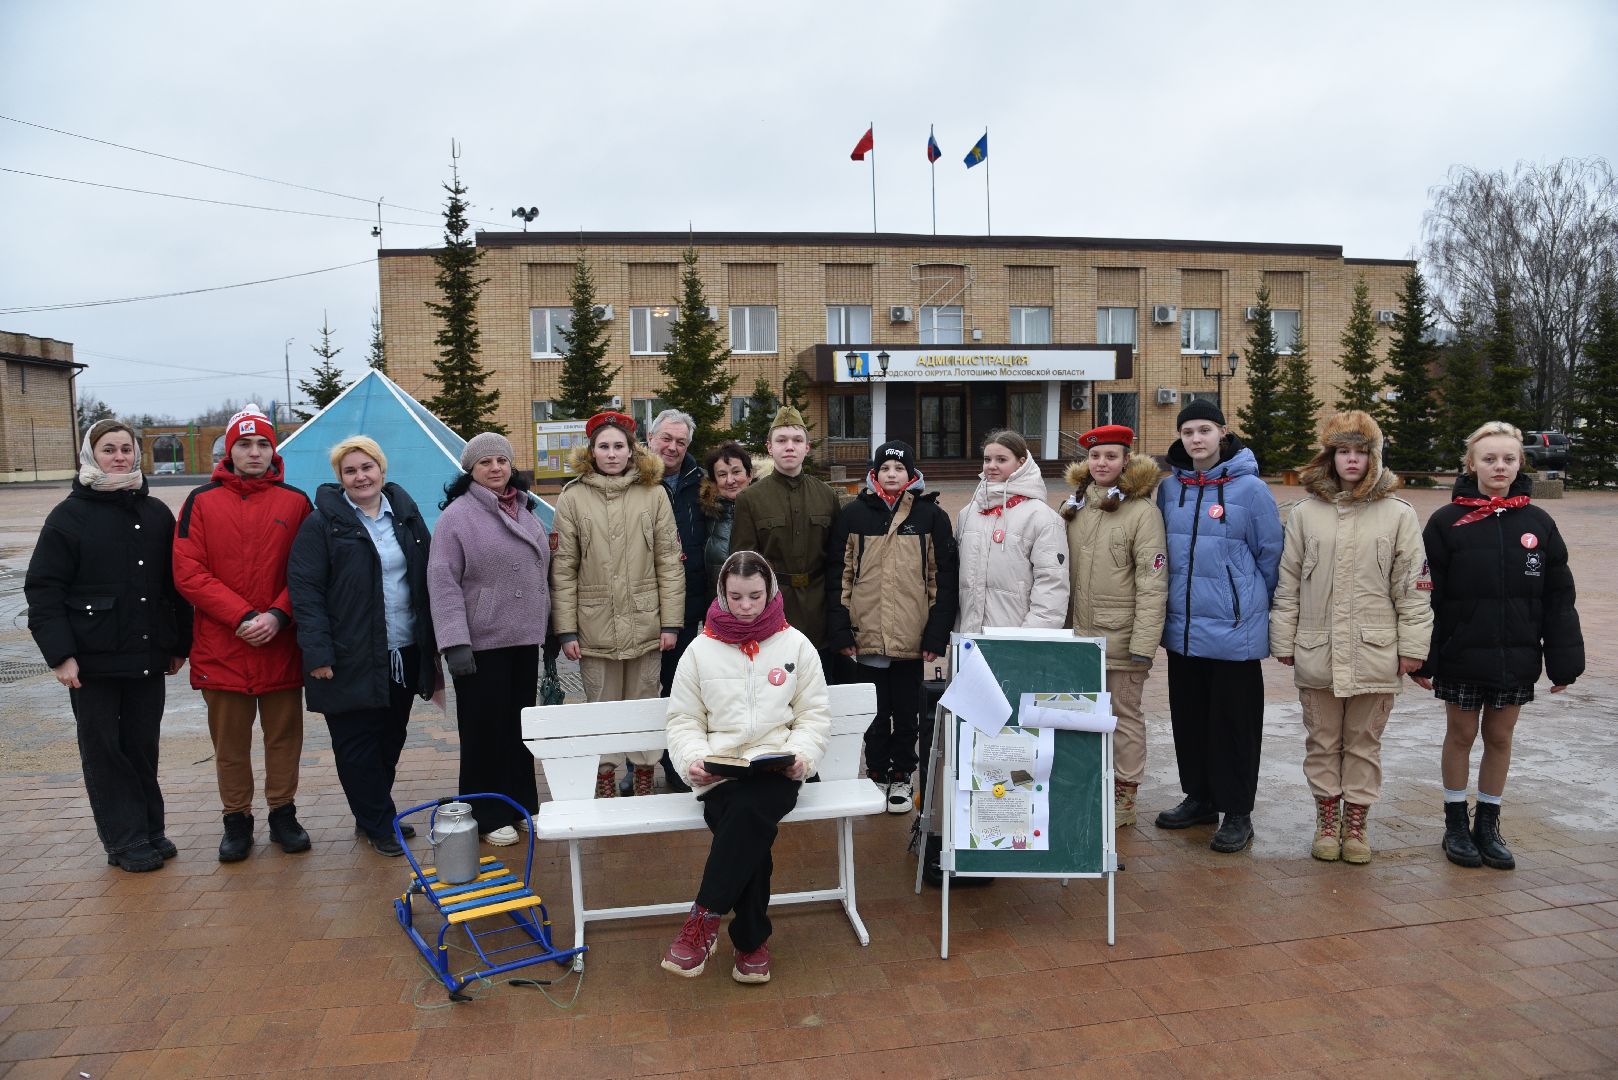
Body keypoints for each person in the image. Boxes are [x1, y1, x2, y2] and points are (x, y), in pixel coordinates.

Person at [25, 420, 192, 872]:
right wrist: (60, 655)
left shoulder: (156, 513)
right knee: (105, 749)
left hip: (146, 654)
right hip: (92, 661)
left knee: (142, 745)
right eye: (108, 450)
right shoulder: (69, 516)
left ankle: (150, 831)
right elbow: (44, 588)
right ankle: (124, 840)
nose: (118, 457)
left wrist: (178, 643)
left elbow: (173, 585)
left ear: (137, 455)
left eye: (125, 449)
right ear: (90, 455)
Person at [1416, 421, 1583, 871]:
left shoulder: (1538, 523)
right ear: (1471, 464)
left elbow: (1558, 597)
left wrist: (1564, 661)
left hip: (1517, 654)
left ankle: (1487, 824)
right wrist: (1423, 656)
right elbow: (1427, 593)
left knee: (1500, 737)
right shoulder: (1446, 522)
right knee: (1462, 735)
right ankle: (1455, 822)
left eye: (1508, 458)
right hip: (1462, 651)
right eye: (1489, 458)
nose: (1499, 466)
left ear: (1519, 464)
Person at [1270, 412, 1431, 864]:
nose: (1352, 460)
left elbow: (1413, 585)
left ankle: (1356, 823)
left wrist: (1413, 646)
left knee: (1363, 743)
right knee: (1322, 742)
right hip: (1318, 650)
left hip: (1374, 651)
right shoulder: (1305, 515)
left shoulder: (1399, 515)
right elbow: (1288, 581)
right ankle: (1326, 817)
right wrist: (1283, 639)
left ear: (1375, 457)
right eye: (1344, 451)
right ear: (1330, 456)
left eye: (1361, 451)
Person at [661, 551, 829, 984]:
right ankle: (751, 941)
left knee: (749, 813)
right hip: (721, 773)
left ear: (770, 590)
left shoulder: (795, 644)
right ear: (722, 593)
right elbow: (684, 720)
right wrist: (692, 762)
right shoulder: (700, 650)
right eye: (736, 596)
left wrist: (802, 757)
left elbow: (813, 716)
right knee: (748, 820)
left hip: (777, 771)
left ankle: (702, 921)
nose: (747, 606)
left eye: (755, 595)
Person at [172, 405, 313, 862]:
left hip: (280, 644)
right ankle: (236, 820)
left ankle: (282, 814)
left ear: (273, 450)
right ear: (229, 450)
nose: (254, 452)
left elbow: (309, 570)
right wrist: (240, 617)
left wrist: (277, 615)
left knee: (284, 738)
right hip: (222, 647)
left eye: (262, 444)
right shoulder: (201, 501)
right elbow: (188, 571)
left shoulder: (295, 501)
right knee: (230, 745)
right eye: (244, 444)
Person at [288, 436, 437, 857]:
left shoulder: (404, 517)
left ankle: (371, 812)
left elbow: (425, 576)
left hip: (402, 649)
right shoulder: (322, 525)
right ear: (340, 478)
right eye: (350, 471)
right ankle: (376, 822)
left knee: (391, 737)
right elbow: (306, 591)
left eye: (366, 467)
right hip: (347, 654)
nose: (360, 476)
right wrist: (318, 654)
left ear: (382, 470)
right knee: (356, 745)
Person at [1153, 399, 1282, 854]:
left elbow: (1270, 558)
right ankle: (1201, 798)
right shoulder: (1170, 489)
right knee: (1189, 719)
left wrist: (1244, 606)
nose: (1196, 439)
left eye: (1204, 430)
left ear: (1223, 433)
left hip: (1233, 632)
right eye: (1188, 432)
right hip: (1184, 629)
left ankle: (1238, 811)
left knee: (1234, 726)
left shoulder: (1252, 491)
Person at [551, 411, 684, 797]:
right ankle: (605, 773)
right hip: (594, 625)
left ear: (631, 450)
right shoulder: (573, 497)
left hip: (646, 622)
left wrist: (670, 623)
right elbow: (563, 569)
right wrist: (566, 629)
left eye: (619, 446)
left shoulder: (654, 493)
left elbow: (669, 562)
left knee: (645, 699)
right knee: (602, 703)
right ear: (592, 452)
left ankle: (644, 771)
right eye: (604, 446)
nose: (612, 454)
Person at [427, 431, 550, 846]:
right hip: (480, 643)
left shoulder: (524, 509)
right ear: (471, 470)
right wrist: (454, 641)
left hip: (521, 639)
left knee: (518, 728)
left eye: (501, 461)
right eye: (486, 463)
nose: (496, 468)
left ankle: (519, 805)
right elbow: (442, 581)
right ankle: (485, 812)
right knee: (484, 731)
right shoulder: (457, 517)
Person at [826, 440, 957, 814]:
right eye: (885, 468)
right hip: (865, 635)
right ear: (875, 472)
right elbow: (841, 575)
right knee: (874, 712)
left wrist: (935, 635)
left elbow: (941, 580)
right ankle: (876, 773)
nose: (892, 474)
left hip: (911, 639)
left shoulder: (931, 516)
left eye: (899, 469)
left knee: (906, 712)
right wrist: (840, 630)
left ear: (911, 473)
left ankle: (902, 775)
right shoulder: (854, 515)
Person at [1058, 424, 1167, 829]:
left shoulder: (1142, 512)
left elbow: (1152, 582)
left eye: (1111, 456)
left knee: (1123, 715)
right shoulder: (1076, 507)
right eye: (1095, 456)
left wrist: (1144, 642)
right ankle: (1088, 784)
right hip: (1077, 636)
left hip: (1120, 637)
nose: (1102, 463)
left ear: (1126, 461)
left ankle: (1124, 793)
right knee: (1080, 715)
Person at [730, 406, 846, 678]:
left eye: (796, 440)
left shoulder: (827, 496)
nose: (789, 447)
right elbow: (742, 563)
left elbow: (839, 560)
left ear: (807, 447)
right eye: (781, 440)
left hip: (819, 610)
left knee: (818, 685)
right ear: (769, 447)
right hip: (772, 608)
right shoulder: (751, 499)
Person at [954, 429, 1068, 635]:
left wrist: (1030, 637)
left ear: (1021, 463)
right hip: (969, 638)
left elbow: (1052, 584)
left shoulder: (1042, 517)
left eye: (1001, 459)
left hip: (1016, 641)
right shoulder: (968, 513)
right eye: (987, 459)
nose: (991, 466)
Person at [701, 441, 754, 605]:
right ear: (714, 480)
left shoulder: (765, 510)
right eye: (722, 475)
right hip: (716, 606)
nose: (730, 480)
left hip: (757, 607)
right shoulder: (705, 514)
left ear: (749, 474)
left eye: (736, 472)